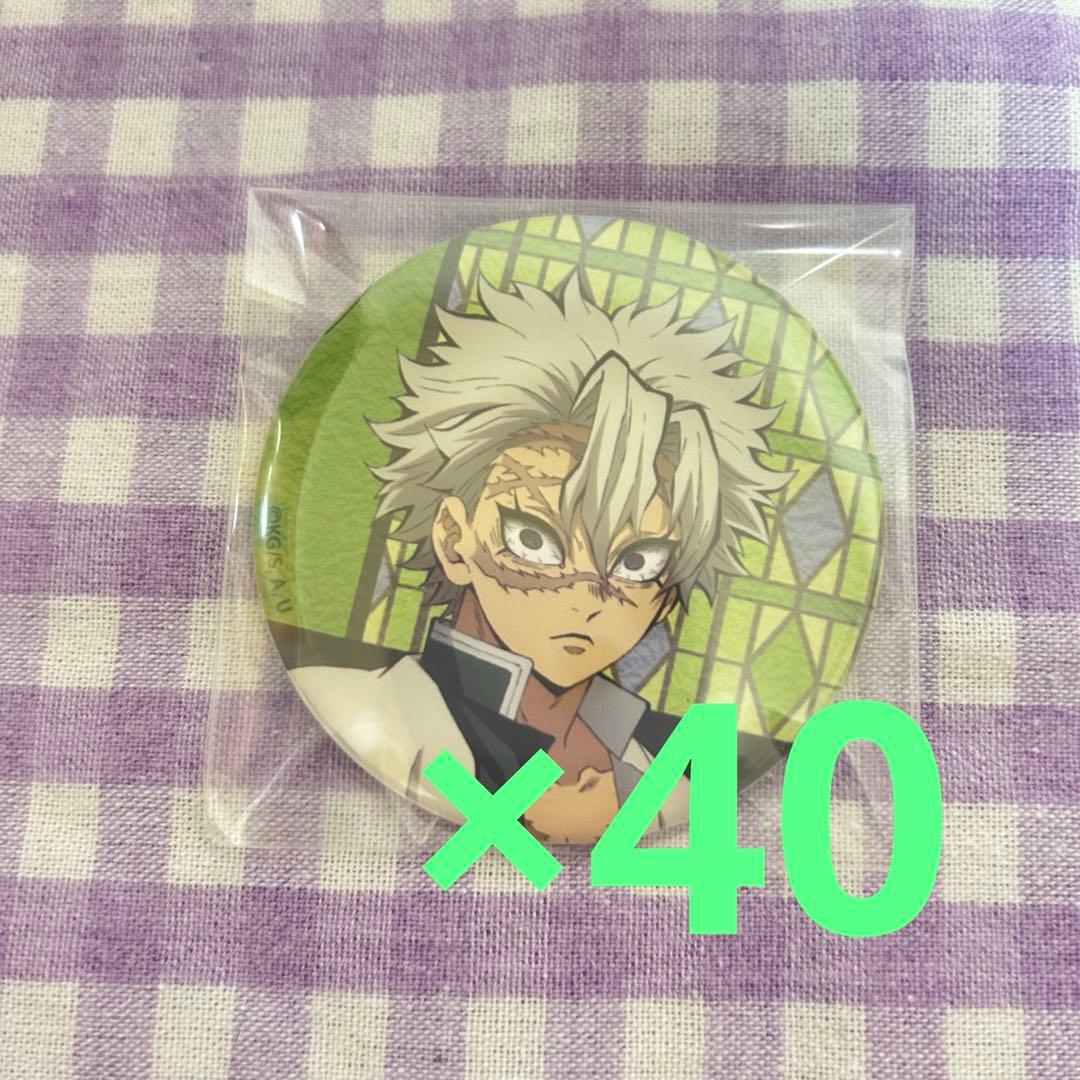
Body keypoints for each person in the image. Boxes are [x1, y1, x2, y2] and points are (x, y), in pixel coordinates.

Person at [289, 272, 790, 843]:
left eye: (637, 563)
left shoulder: (666, 768)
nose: (586, 599)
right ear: (454, 538)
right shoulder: (360, 705)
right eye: (533, 541)